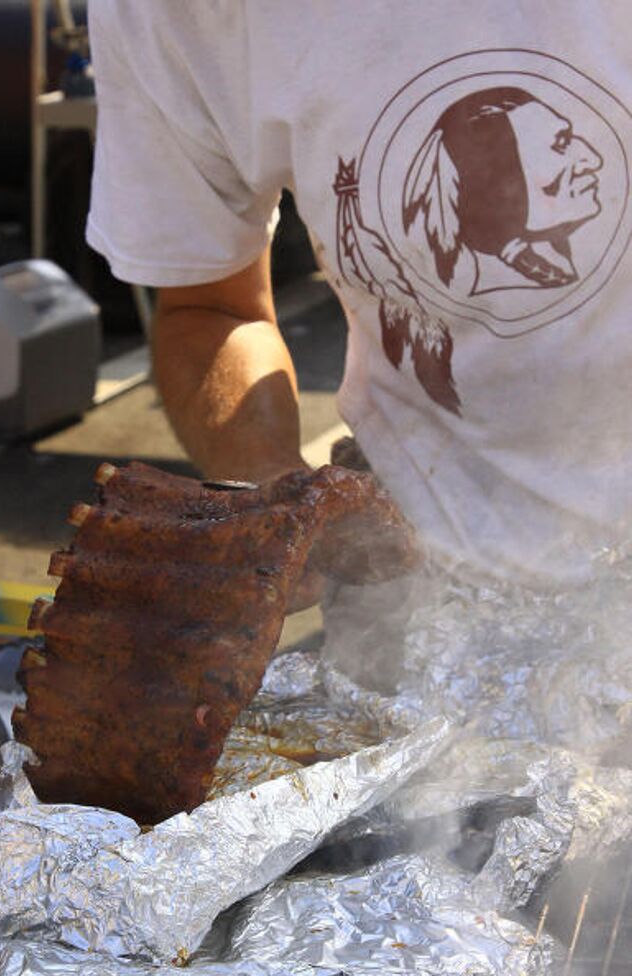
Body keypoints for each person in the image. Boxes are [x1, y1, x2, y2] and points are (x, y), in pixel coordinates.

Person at [86, 2, 632, 601]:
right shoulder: (172, 13)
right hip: (419, 586)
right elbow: (212, 310)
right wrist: (276, 486)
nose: (594, 160)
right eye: (557, 148)